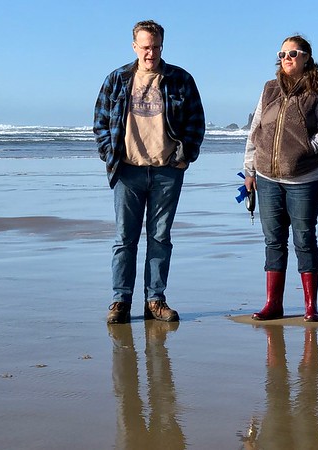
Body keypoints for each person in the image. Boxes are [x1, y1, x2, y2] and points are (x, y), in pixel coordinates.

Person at [94, 20, 206, 324]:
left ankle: (155, 301)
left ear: (162, 46)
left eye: (156, 47)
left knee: (160, 237)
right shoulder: (116, 80)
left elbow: (196, 122)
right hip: (127, 170)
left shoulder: (180, 80)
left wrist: (185, 156)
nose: (150, 53)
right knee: (124, 239)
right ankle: (121, 301)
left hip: (167, 171)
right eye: (145, 47)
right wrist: (109, 155)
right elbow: (101, 123)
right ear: (134, 46)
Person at [243, 35, 318, 322]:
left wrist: (304, 150)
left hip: (305, 178)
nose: (287, 58)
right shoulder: (269, 88)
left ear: (307, 57)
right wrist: (249, 169)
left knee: (304, 239)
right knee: (273, 241)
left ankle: (311, 306)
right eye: (282, 53)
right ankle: (274, 304)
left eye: (293, 53)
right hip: (267, 176)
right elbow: (256, 129)